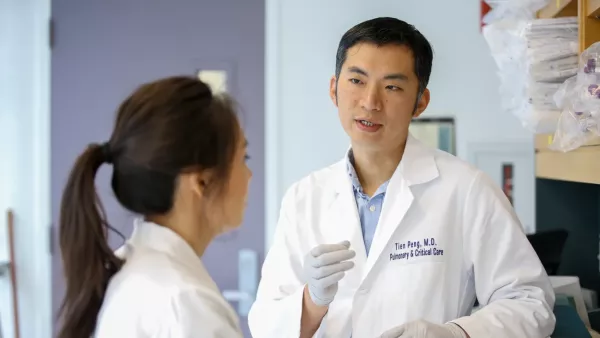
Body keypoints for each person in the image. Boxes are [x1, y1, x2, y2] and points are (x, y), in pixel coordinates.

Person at [248, 17, 556, 338]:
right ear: (333, 89)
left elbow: (530, 303)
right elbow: (264, 325)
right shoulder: (303, 198)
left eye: (392, 86)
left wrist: (455, 335)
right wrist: (312, 300)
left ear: (420, 102)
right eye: (356, 80)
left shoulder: (466, 189)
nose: (370, 102)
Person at [57, 76, 251, 338]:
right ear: (201, 181)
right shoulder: (184, 304)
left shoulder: (134, 267)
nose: (249, 175)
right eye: (243, 158)